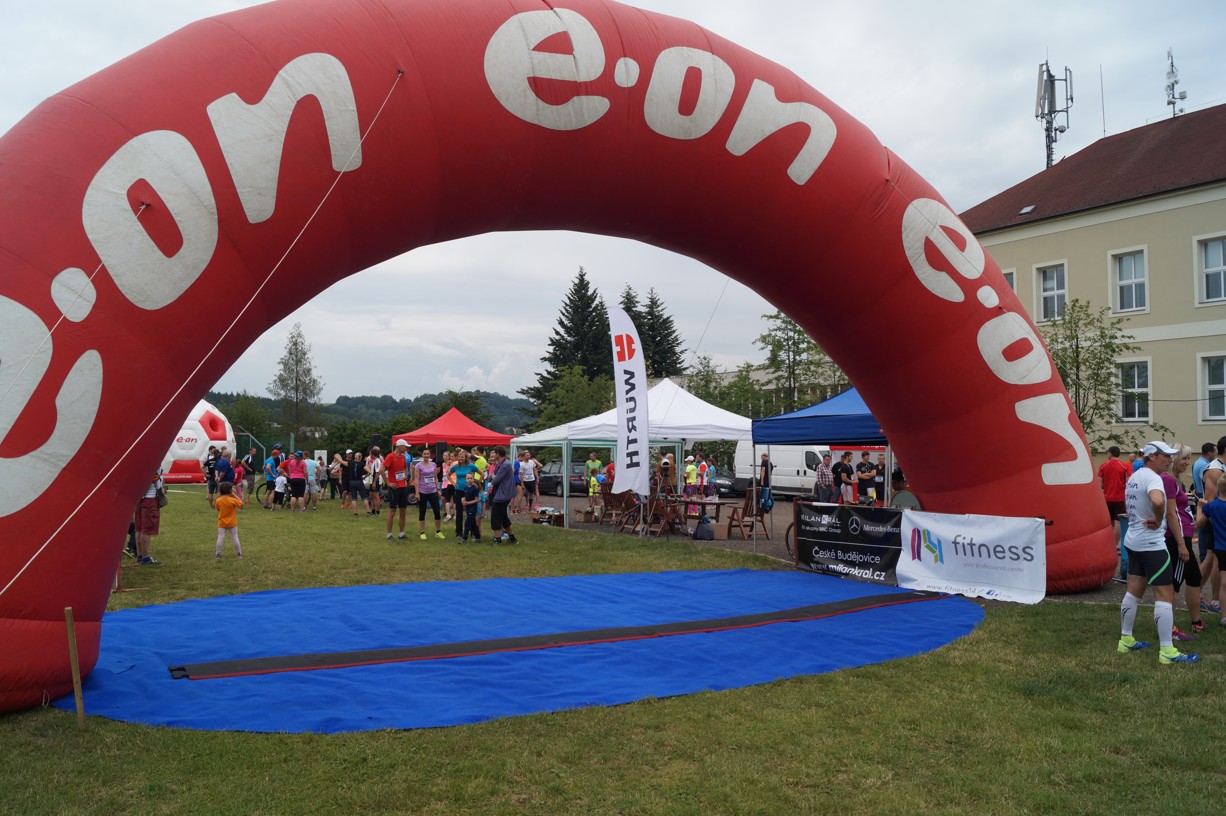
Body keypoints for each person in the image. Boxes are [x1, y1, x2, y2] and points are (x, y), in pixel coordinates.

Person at [1117, 441, 1198, 664]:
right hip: (1152, 545)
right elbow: (1158, 500)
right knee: (1165, 595)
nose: (1170, 460)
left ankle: (1126, 639)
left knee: (1133, 592)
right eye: (1166, 456)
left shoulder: (1135, 476)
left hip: (1133, 541)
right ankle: (1167, 651)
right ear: (1152, 456)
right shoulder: (1153, 478)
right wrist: (1158, 517)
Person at [1162, 446, 1204, 638]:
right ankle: (1169, 628)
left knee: (1194, 577)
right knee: (1174, 582)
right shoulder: (1168, 480)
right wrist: (1180, 544)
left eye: (1188, 458)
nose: (1187, 462)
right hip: (1177, 537)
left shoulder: (1176, 480)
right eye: (1184, 458)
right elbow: (1170, 513)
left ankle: (1196, 621)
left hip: (1184, 535)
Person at [1195, 478, 1226, 625]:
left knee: (1224, 583)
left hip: (1220, 548)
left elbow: (1199, 524)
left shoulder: (1212, 506)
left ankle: (1224, 617)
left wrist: (1199, 507)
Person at [1098, 446, 1131, 542]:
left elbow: (1099, 484)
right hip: (1120, 498)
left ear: (1110, 453)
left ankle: (1110, 544)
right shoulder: (1125, 466)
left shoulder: (1103, 466)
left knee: (1110, 522)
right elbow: (1128, 483)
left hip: (1107, 498)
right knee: (1118, 522)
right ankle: (1114, 544)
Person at [412, 446, 445, 540]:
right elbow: (416, 480)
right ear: (422, 455)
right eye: (425, 454)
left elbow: (435, 478)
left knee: (437, 512)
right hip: (422, 491)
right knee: (422, 512)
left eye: (428, 454)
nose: (426, 455)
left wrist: (438, 489)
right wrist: (417, 492)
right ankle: (422, 532)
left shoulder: (433, 465)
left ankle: (438, 532)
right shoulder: (418, 466)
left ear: (430, 455)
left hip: (433, 491)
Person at [383, 439, 413, 540]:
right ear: (399, 446)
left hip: (402, 487)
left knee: (403, 510)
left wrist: (405, 478)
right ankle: (389, 534)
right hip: (394, 488)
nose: (406, 448)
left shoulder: (403, 457)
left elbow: (405, 468)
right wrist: (388, 483)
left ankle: (401, 533)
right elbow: (381, 469)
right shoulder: (390, 456)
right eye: (404, 446)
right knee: (392, 510)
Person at [489, 446, 518, 544]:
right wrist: (494, 476)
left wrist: (494, 476)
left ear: (498, 454)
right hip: (501, 494)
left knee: (495, 517)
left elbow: (495, 481)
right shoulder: (500, 464)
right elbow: (491, 477)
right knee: (504, 518)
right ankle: (512, 539)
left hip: (502, 495)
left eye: (494, 453)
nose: (493, 455)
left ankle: (498, 540)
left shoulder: (505, 465)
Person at [134, 468, 163, 565]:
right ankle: (146, 558)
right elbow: (158, 485)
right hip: (150, 499)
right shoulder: (155, 465)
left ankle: (140, 555)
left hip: (139, 499)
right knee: (146, 530)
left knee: (139, 529)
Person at [450, 452, 479, 540]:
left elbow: (481, 473)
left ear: (466, 457)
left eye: (462, 457)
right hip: (459, 490)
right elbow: (448, 474)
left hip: (469, 491)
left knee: (470, 513)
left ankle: (473, 533)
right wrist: (453, 483)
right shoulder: (455, 466)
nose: (461, 458)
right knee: (459, 512)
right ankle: (459, 533)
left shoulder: (471, 466)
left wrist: (476, 484)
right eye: (459, 456)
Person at [213, 481, 244, 559]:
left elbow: (217, 508)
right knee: (235, 537)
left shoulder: (218, 500)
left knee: (220, 537)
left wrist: (220, 496)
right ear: (230, 490)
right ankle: (239, 553)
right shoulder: (232, 500)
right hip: (232, 522)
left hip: (222, 522)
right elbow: (241, 503)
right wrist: (234, 495)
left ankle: (217, 553)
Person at [345, 450, 372, 516]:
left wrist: (338, 458)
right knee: (364, 498)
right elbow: (369, 472)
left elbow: (343, 462)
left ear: (355, 456)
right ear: (361, 457)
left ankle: (355, 513)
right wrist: (365, 476)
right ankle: (368, 512)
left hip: (352, 482)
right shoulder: (362, 464)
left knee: (354, 498)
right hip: (359, 481)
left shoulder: (350, 463)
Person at [461, 468, 482, 542]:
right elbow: (465, 497)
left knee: (467, 523)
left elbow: (477, 499)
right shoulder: (466, 488)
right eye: (468, 478)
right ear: (465, 479)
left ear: (473, 479)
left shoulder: (474, 488)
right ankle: (478, 537)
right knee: (473, 523)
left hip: (472, 508)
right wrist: (463, 500)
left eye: (471, 478)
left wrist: (468, 503)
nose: (469, 480)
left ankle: (464, 538)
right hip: (467, 508)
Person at [366, 446, 384, 515]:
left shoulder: (377, 461)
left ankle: (377, 511)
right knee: (372, 495)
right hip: (372, 480)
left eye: (370, 454)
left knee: (376, 496)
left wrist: (374, 482)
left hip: (376, 480)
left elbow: (377, 472)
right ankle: (373, 510)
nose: (369, 455)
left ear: (373, 454)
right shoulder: (374, 461)